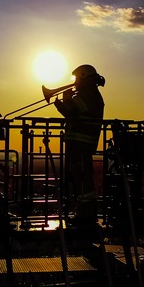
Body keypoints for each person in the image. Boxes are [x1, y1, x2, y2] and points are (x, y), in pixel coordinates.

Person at [53, 64, 105, 223]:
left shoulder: (88, 95)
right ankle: (84, 211)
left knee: (81, 177)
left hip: (81, 144)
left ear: (83, 77)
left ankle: (86, 213)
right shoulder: (88, 94)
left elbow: (70, 111)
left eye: (76, 78)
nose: (74, 82)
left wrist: (65, 98)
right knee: (78, 176)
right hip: (79, 144)